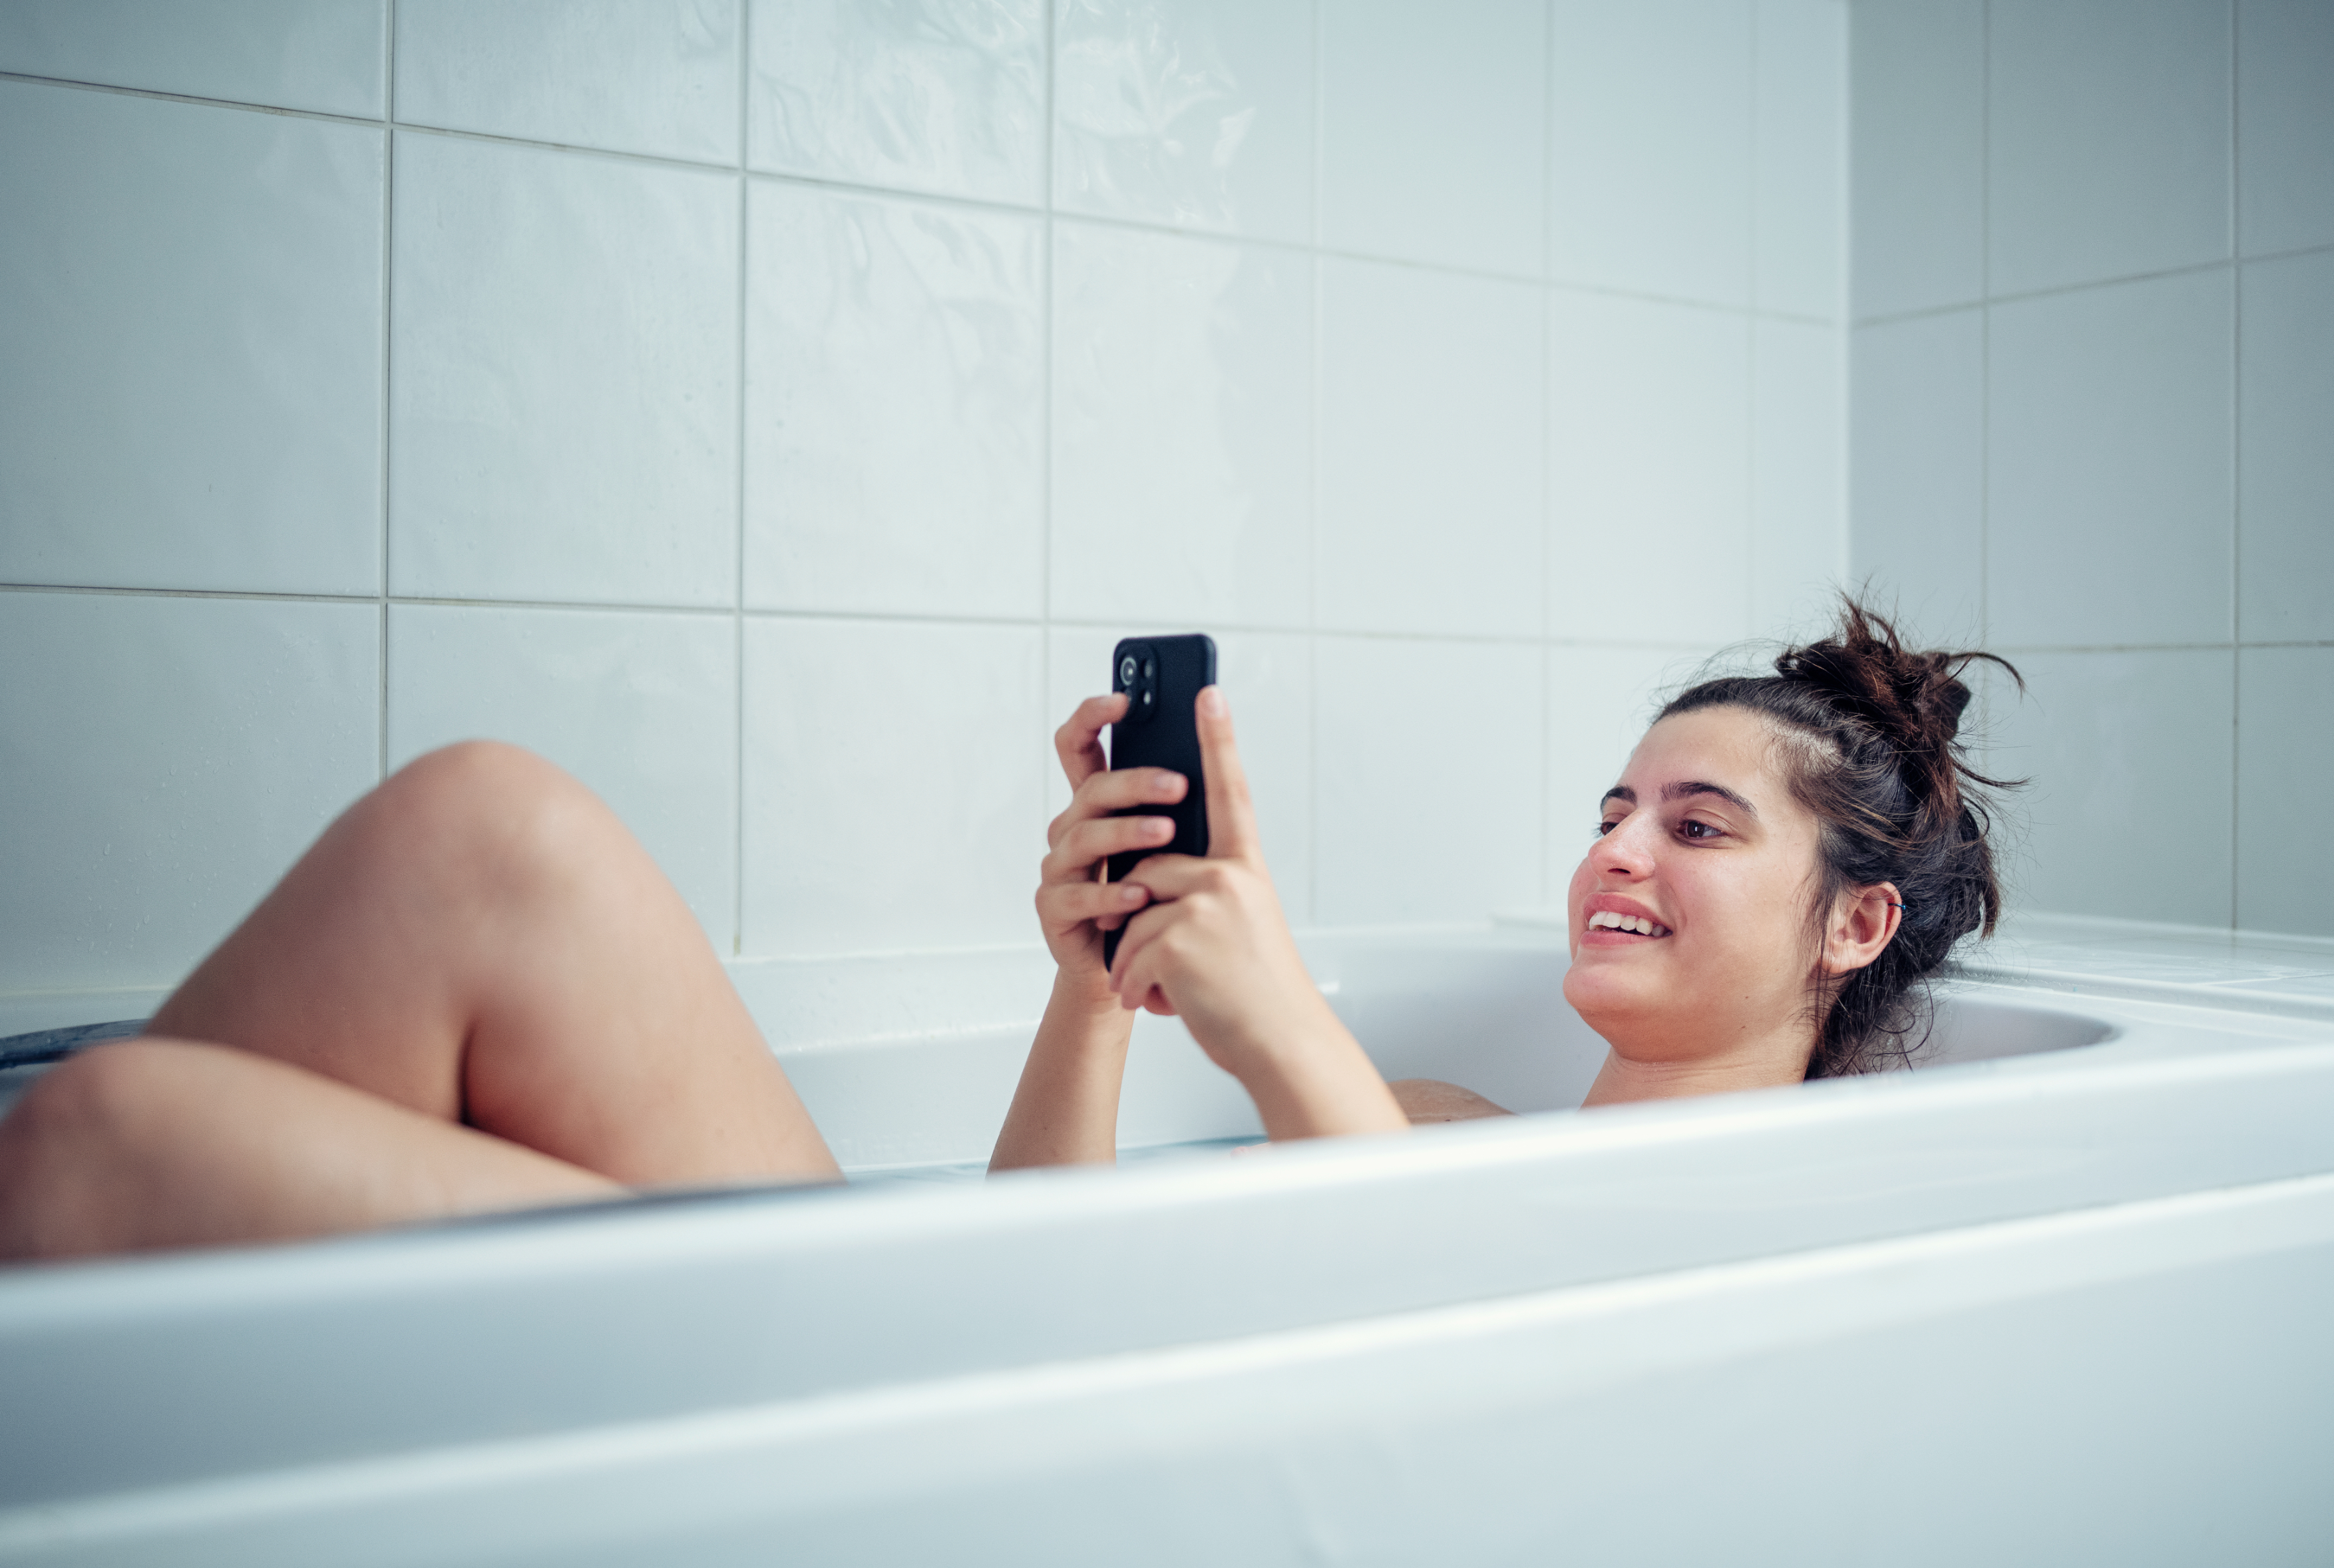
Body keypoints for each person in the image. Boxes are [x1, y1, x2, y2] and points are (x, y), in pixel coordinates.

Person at [0, 599, 2014, 1260]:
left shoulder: (1776, 1216)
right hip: (903, 1369)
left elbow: (1461, 1340)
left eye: (1694, 823)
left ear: (1849, 921)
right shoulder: (1437, 1118)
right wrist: (1100, 997)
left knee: (102, 1140)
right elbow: (1028, 1274)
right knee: (480, 826)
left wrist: (1275, 1015)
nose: (1615, 851)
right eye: (1608, 809)